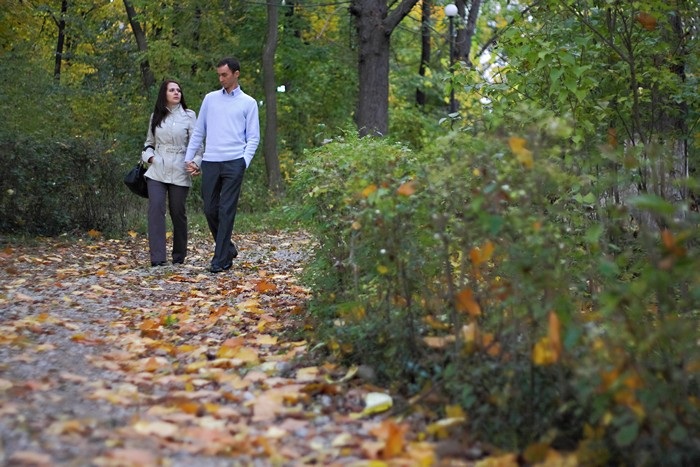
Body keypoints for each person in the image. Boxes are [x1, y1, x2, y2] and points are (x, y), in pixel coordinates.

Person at [184, 57, 260, 273]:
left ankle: (220, 260)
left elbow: (253, 137)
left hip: (235, 162)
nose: (221, 78)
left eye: (224, 74)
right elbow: (199, 131)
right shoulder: (210, 99)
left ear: (236, 74)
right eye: (219, 75)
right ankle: (228, 247)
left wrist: (243, 162)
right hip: (210, 162)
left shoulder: (248, 103)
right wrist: (188, 159)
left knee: (226, 210)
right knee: (210, 209)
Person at [142, 79, 203, 267]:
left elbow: (198, 146)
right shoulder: (156, 116)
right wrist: (150, 158)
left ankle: (179, 257)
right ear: (164, 94)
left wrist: (195, 163)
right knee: (156, 210)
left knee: (178, 212)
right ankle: (157, 258)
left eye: (178, 90)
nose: (176, 93)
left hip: (180, 168)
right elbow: (148, 143)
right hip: (157, 169)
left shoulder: (189, 116)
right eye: (171, 90)